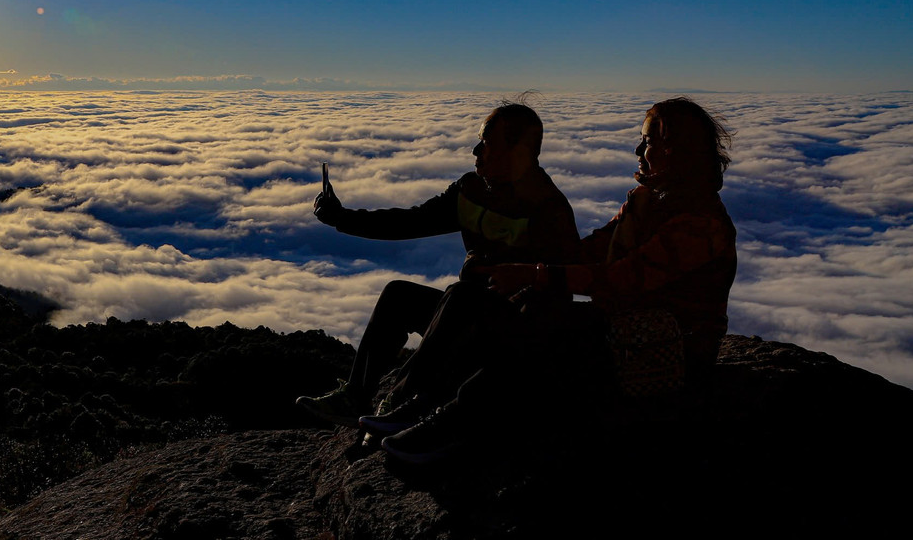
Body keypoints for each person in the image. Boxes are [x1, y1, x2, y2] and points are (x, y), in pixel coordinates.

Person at [376, 97, 738, 464]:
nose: (639, 149)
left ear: (676, 150)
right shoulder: (648, 201)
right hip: (621, 329)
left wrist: (536, 274)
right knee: (469, 296)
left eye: (649, 141)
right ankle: (418, 401)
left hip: (664, 350)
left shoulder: (701, 223)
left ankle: (456, 426)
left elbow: (622, 279)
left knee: (537, 342)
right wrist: (511, 267)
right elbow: (589, 250)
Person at [295, 101, 578, 427]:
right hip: (464, 317)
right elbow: (411, 222)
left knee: (461, 295)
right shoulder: (470, 190)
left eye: (486, 143)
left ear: (518, 151)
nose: (476, 151)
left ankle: (403, 403)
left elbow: (563, 286)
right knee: (398, 295)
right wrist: (341, 218)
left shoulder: (549, 208)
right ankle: (356, 396)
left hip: (511, 333)